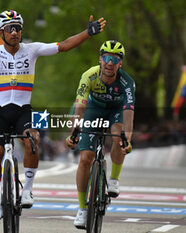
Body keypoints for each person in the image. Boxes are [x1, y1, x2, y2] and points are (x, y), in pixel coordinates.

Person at [0, 10, 106, 221]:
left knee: (32, 141)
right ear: (1, 32)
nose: (15, 32)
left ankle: (28, 189)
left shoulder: (32, 50)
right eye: (9, 28)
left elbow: (64, 45)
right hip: (1, 111)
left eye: (18, 28)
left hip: (23, 110)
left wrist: (87, 33)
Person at [66, 40, 135, 229]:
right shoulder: (89, 75)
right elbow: (80, 106)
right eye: (106, 58)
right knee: (85, 159)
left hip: (116, 111)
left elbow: (129, 111)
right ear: (100, 59)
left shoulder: (127, 82)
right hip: (93, 109)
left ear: (120, 63)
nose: (110, 63)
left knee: (117, 136)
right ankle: (82, 208)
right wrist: (74, 133)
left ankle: (113, 179)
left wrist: (127, 138)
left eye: (115, 59)